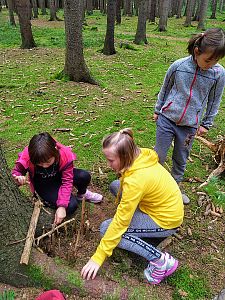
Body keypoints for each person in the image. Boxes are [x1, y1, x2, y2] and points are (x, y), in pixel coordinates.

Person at [81, 129, 184, 285]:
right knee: (116, 186)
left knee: (105, 229)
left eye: (110, 160)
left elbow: (120, 223)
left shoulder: (136, 181)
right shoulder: (140, 156)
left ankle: (160, 261)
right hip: (161, 207)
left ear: (124, 156)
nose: (108, 165)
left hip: (166, 221)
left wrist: (98, 257)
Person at [153, 28, 225, 204]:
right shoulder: (178, 66)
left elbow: (215, 101)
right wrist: (158, 110)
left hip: (190, 126)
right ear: (197, 51)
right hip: (167, 119)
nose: (211, 64)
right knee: (158, 156)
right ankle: (153, 187)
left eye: (216, 60)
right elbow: (165, 88)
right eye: (208, 59)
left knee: (180, 159)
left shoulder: (218, 73)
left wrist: (206, 123)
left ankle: (173, 189)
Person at [12, 132, 103, 225]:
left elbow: (67, 181)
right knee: (71, 206)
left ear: (55, 151)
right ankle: (50, 200)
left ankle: (82, 194)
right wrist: (18, 178)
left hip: (60, 176)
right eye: (39, 163)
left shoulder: (64, 155)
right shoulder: (29, 156)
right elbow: (17, 172)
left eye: (48, 162)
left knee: (84, 176)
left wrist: (62, 206)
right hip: (44, 185)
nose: (44, 166)